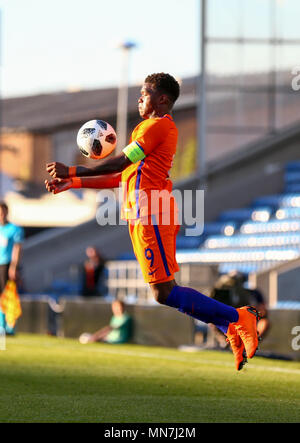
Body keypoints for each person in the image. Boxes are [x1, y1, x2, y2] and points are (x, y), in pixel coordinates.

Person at [45, 72, 260, 371]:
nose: (139, 98)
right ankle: (230, 326)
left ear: (162, 100)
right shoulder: (145, 130)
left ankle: (238, 319)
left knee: (165, 291)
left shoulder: (159, 127)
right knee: (163, 292)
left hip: (153, 212)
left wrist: (71, 170)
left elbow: (120, 162)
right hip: (141, 214)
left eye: (145, 93)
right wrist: (75, 183)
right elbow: (121, 177)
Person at [209, 271, 270, 348]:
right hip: (229, 321)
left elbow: (263, 311)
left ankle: (250, 345)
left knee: (264, 323)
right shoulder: (221, 293)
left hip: (246, 321)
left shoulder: (252, 293)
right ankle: (226, 342)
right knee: (213, 318)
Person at [0, 201, 24, 334]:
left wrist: (14, 267)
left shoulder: (14, 229)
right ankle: (1, 324)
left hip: (7, 265)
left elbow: (17, 248)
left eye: (2, 212)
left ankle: (10, 326)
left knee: (8, 295)